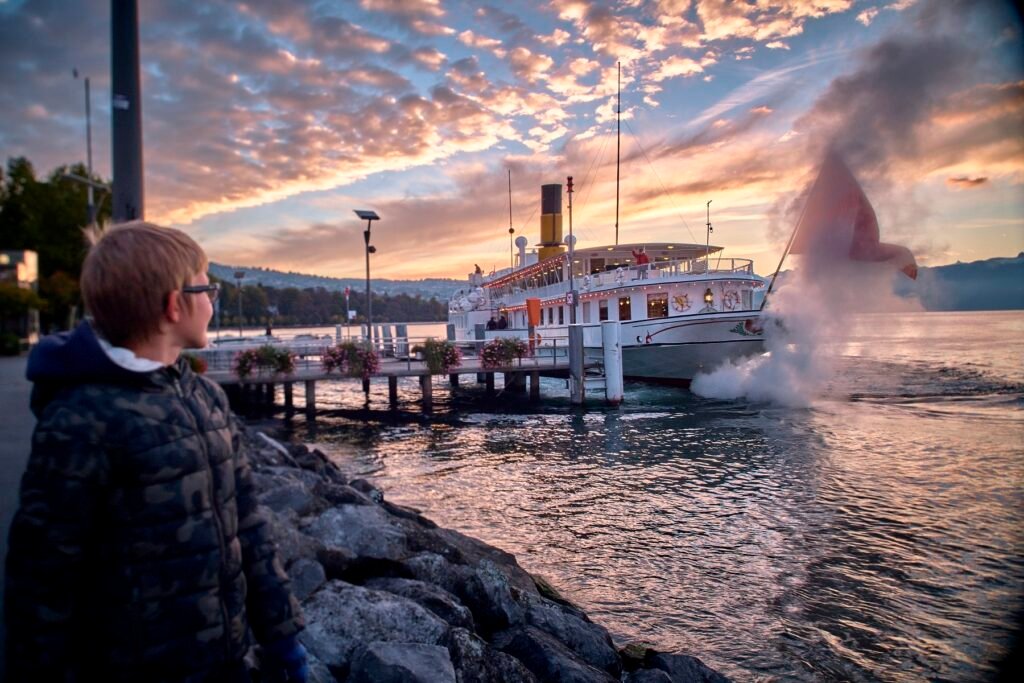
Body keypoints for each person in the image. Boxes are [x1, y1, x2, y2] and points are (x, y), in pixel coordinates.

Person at [5, 222, 307, 682]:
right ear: (173, 305)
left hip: (227, 659)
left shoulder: (205, 398)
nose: (213, 302)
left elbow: (248, 527)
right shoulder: (82, 421)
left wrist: (282, 638)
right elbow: (42, 577)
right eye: (208, 289)